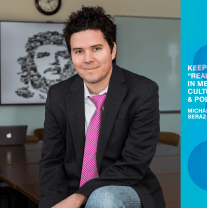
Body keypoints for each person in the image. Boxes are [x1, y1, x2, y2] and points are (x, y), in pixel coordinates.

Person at [38, 5, 166, 208]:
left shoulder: (143, 91)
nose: (87, 59)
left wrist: (80, 197)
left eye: (96, 49)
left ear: (113, 50)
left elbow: (133, 164)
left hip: (126, 187)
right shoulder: (58, 95)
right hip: (72, 190)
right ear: (71, 55)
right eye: (78, 51)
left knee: (102, 198)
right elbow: (51, 161)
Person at [16, 31, 75, 100]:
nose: (54, 61)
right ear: (30, 61)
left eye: (62, 55)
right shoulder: (23, 94)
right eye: (43, 55)